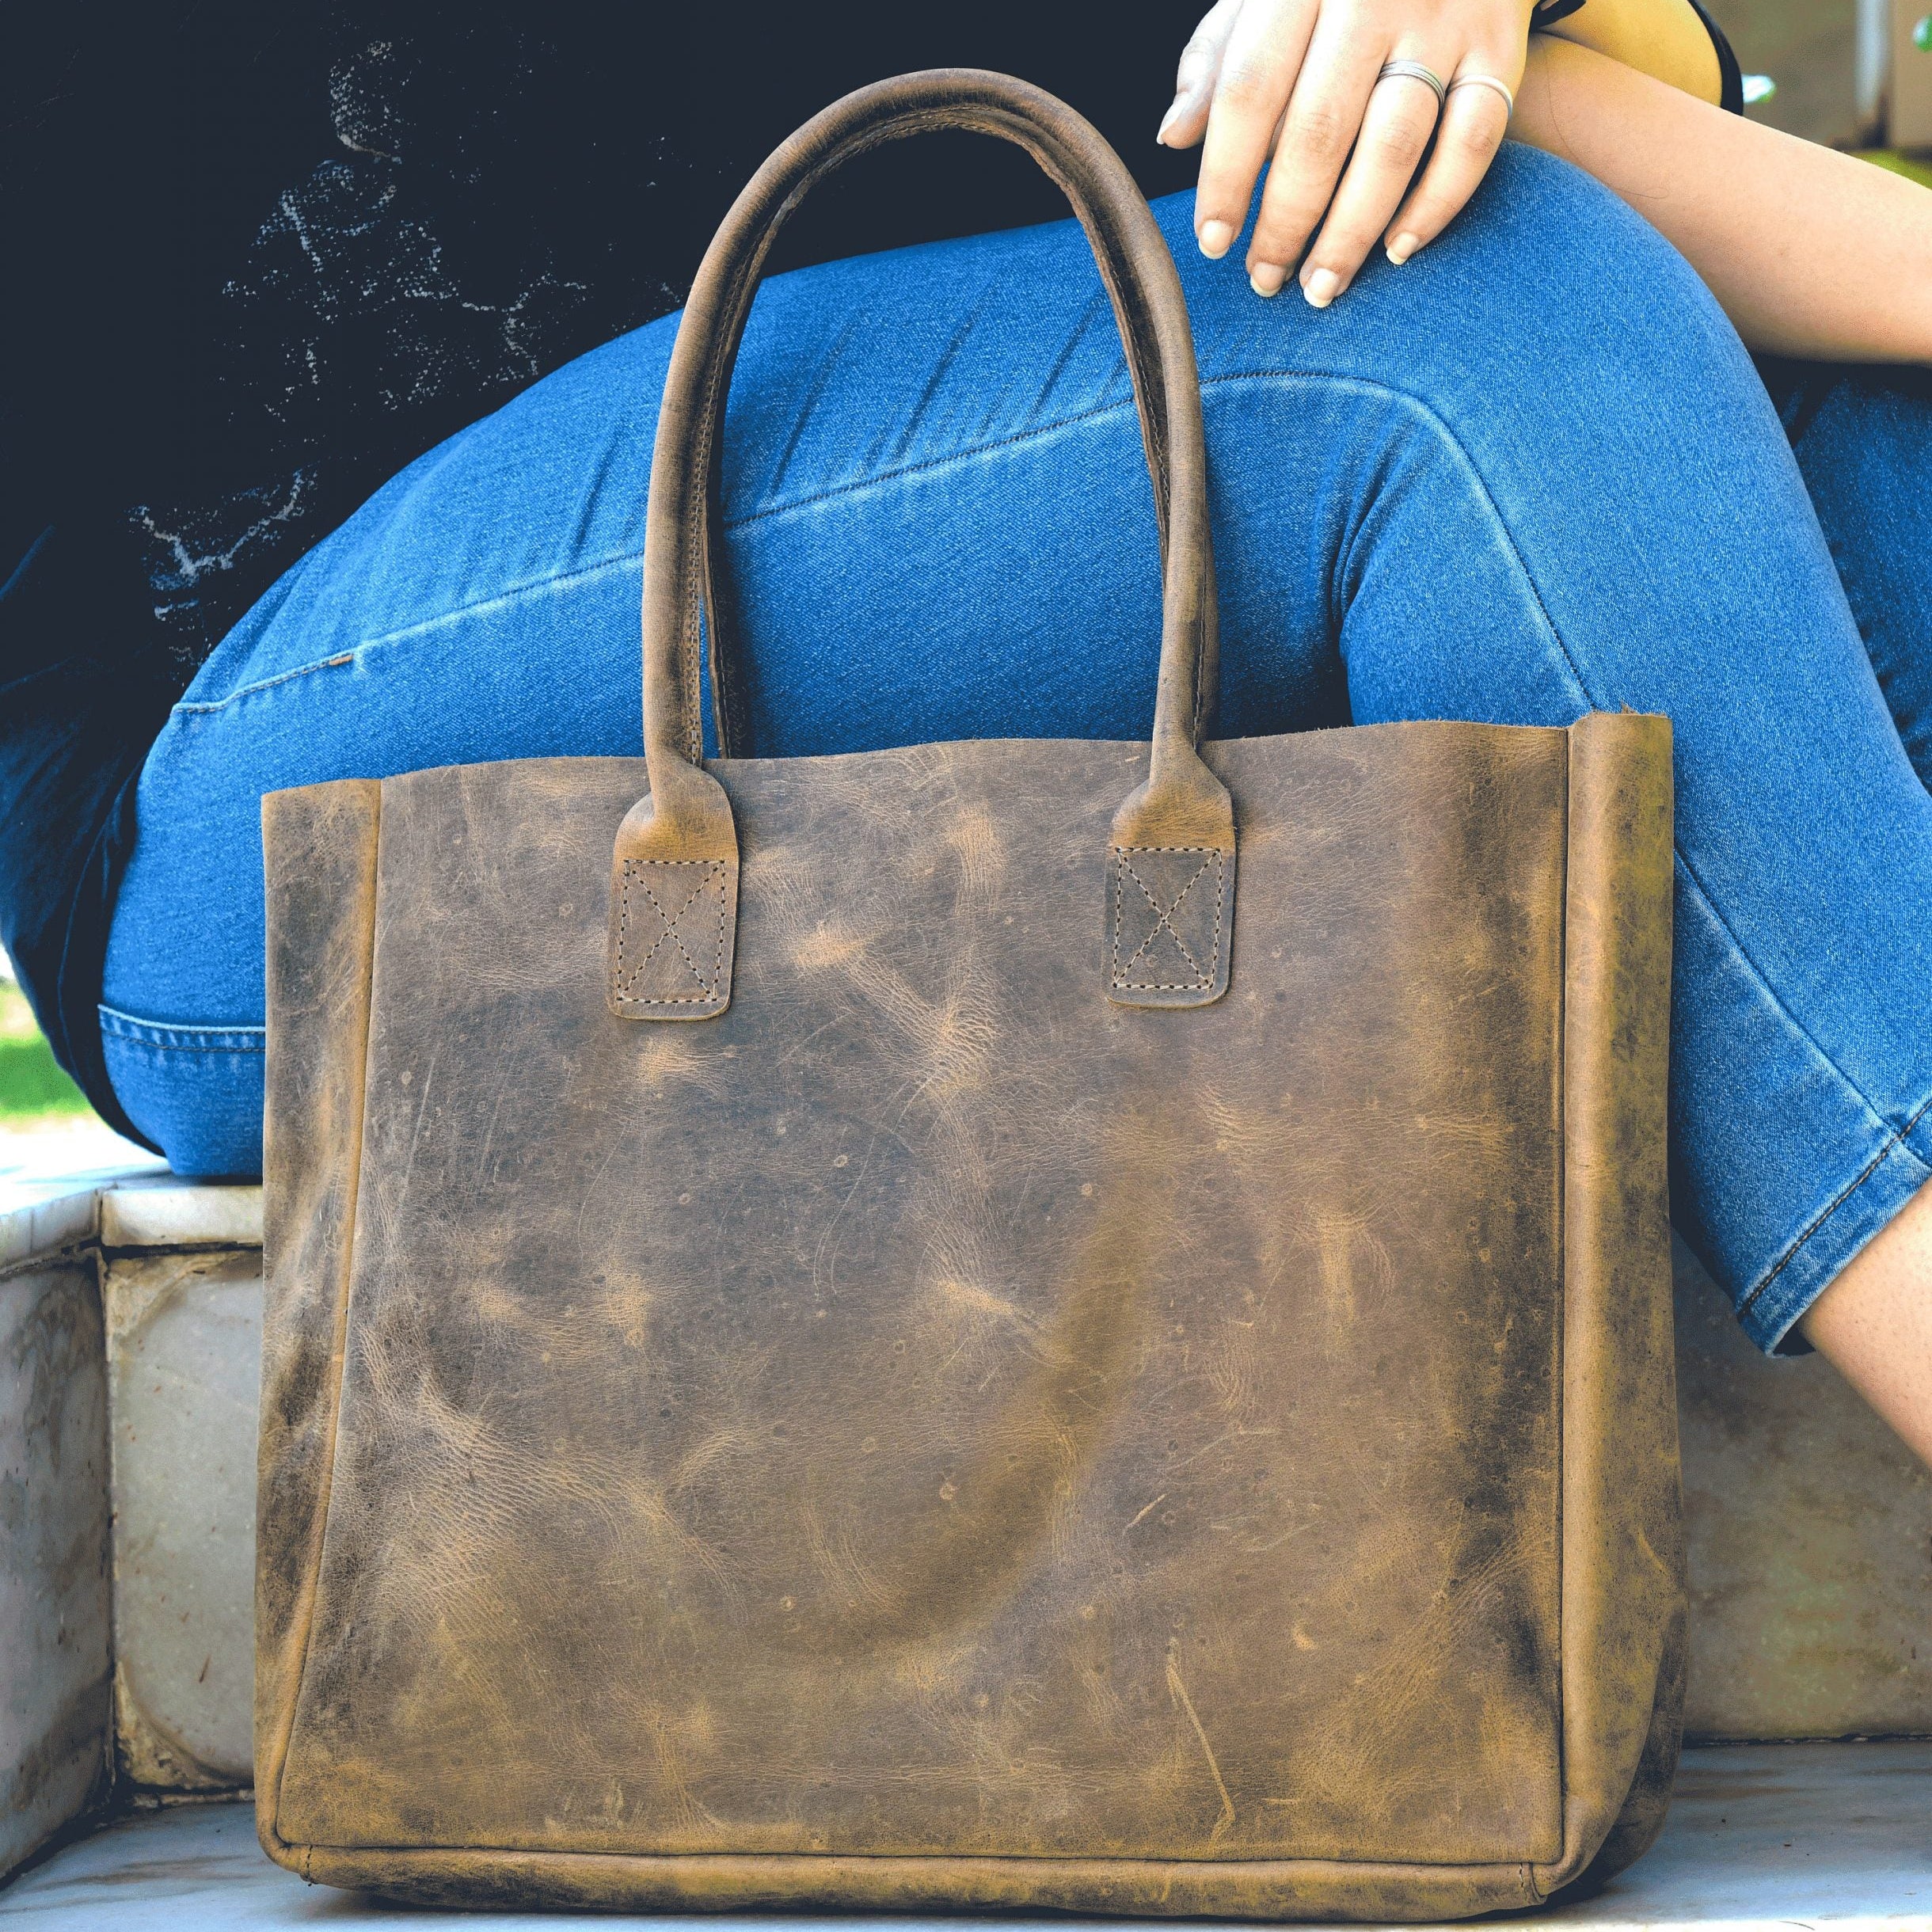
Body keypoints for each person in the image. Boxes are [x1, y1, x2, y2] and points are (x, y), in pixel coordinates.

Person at [4, 0, 1930, 1468]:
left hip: (812, 545)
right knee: (1452, 351)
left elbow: (1380, 133)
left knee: (1878, 455)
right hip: (238, 824)